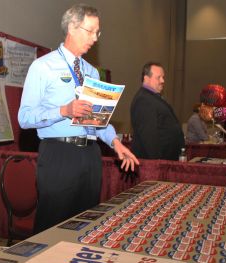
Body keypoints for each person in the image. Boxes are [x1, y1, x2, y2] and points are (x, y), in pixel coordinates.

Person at [18, 4, 139, 234]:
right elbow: (24, 118)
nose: (95, 38)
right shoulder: (43, 67)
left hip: (91, 157)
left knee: (84, 228)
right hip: (59, 155)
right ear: (72, 28)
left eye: (98, 33)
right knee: (51, 230)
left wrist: (115, 143)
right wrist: (63, 110)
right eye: (90, 31)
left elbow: (97, 119)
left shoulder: (92, 73)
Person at [130, 62, 185, 160]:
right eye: (158, 77)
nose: (163, 80)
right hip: (156, 165)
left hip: (165, 161)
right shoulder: (144, 100)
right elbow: (149, 138)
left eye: (163, 77)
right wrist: (158, 164)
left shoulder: (151, 97)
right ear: (146, 78)